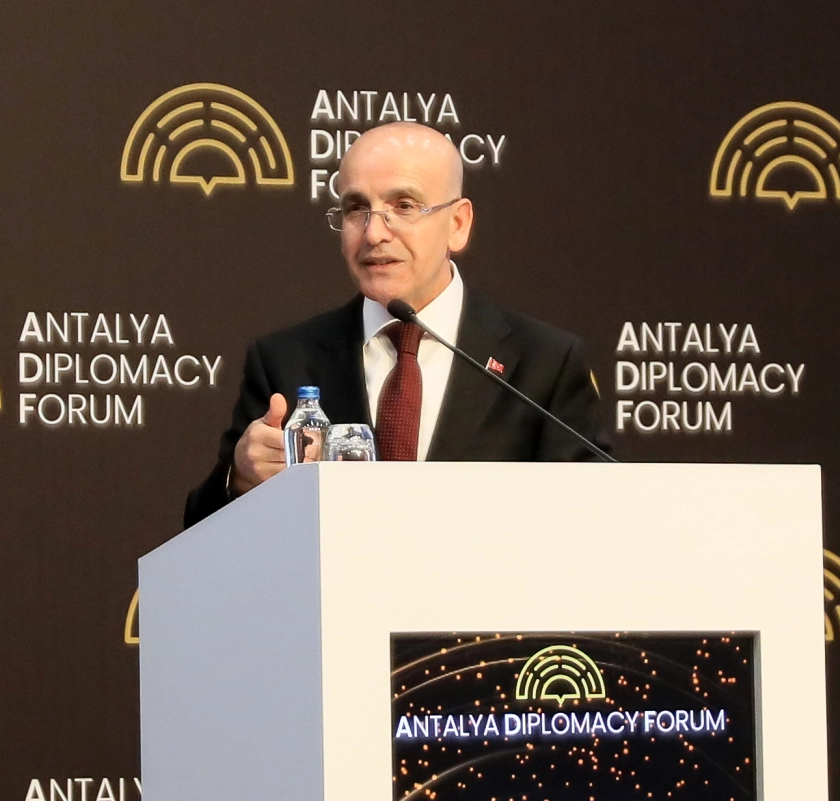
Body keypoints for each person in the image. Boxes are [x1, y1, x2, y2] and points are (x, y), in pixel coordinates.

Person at [184, 122, 605, 527]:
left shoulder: (544, 363)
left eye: (403, 206)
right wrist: (239, 479)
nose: (374, 234)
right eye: (356, 209)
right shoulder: (285, 361)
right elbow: (202, 535)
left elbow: (595, 519)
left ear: (457, 224)